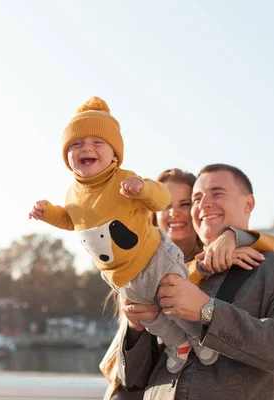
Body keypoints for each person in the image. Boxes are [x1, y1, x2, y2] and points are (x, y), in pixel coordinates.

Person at [29, 97, 223, 374]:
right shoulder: (72, 193)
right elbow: (69, 220)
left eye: (98, 142)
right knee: (149, 315)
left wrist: (141, 188)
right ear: (66, 159)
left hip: (152, 257)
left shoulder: (123, 179)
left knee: (176, 301)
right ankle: (178, 343)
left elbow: (160, 198)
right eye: (76, 144)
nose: (86, 148)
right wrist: (47, 212)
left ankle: (198, 336)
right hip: (121, 275)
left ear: (115, 155)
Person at [116, 164, 274, 400]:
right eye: (196, 198)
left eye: (217, 193)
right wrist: (136, 330)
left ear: (248, 204)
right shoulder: (172, 273)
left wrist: (207, 312)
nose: (203, 204)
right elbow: (133, 381)